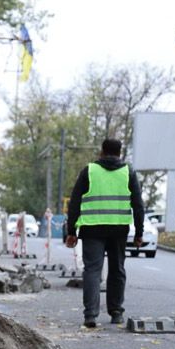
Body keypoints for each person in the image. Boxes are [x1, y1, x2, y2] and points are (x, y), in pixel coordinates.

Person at [64, 138, 144, 328]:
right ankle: (116, 312)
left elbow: (75, 202)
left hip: (92, 229)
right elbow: (138, 205)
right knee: (117, 269)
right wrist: (139, 233)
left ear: (102, 151)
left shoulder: (89, 171)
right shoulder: (128, 172)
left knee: (92, 270)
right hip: (118, 229)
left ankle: (90, 315)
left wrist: (71, 231)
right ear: (120, 152)